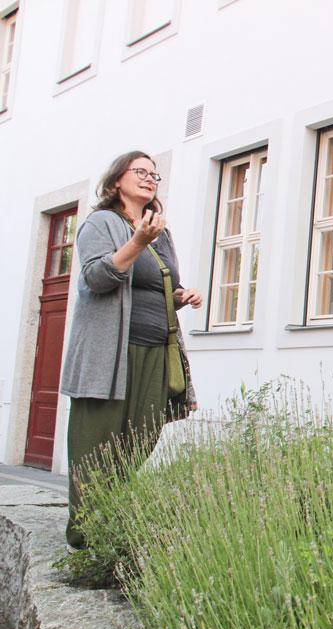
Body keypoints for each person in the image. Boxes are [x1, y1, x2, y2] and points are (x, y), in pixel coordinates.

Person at [60, 151, 202, 549]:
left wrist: (180, 295)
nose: (149, 178)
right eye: (139, 171)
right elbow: (97, 278)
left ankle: (112, 518)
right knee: (96, 442)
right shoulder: (101, 223)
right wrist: (138, 241)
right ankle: (85, 534)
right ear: (116, 180)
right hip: (112, 352)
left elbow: (156, 286)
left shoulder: (161, 231)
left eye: (154, 174)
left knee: (140, 438)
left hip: (157, 348)